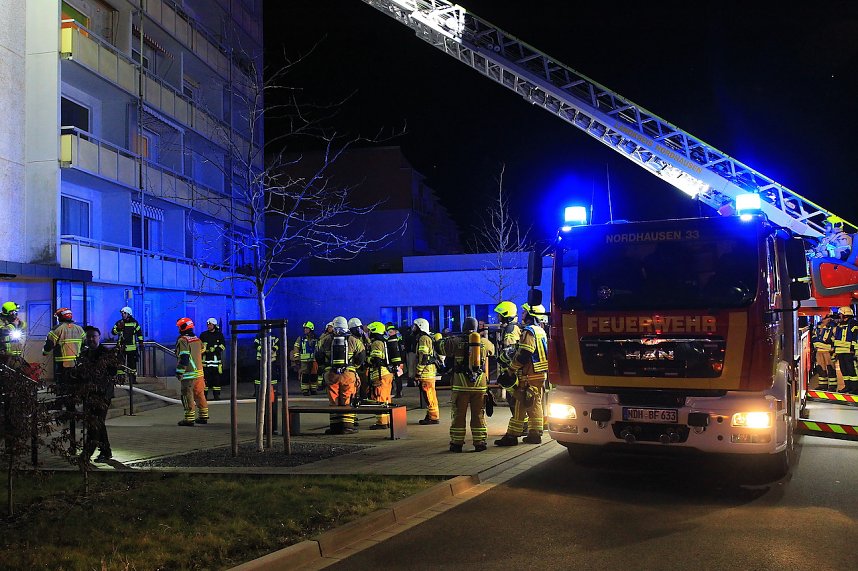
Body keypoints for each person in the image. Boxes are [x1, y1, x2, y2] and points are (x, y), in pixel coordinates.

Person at [495, 303, 549, 446]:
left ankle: (512, 436)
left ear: (531, 315)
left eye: (525, 312)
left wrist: (511, 369)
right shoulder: (541, 331)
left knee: (520, 402)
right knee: (534, 403)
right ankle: (535, 434)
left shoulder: (529, 331)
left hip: (529, 374)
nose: (522, 314)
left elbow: (525, 353)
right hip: (539, 373)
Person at [445, 317, 490, 452]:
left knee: (459, 415)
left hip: (461, 385)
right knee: (479, 415)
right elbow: (492, 351)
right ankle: (480, 442)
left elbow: (440, 347)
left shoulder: (455, 341)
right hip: (480, 386)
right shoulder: (484, 342)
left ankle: (457, 444)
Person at [43, 308, 86, 449]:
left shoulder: (57, 329)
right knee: (74, 385)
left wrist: (45, 352)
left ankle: (62, 403)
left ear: (60, 317)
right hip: (77, 364)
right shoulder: (79, 328)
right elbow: (85, 343)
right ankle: (73, 404)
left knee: (62, 386)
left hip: (63, 363)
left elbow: (49, 345)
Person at [317, 316, 365, 434]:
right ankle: (347, 427)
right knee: (347, 399)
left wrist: (326, 368)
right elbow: (361, 357)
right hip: (348, 375)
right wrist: (353, 368)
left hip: (331, 375)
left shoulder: (325, 339)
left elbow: (318, 356)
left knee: (333, 400)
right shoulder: (354, 340)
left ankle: (335, 427)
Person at [77, 326, 119, 463]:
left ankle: (88, 452)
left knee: (96, 423)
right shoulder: (84, 354)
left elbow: (113, 372)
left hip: (103, 393)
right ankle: (106, 451)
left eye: (93, 336)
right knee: (96, 423)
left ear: (98, 337)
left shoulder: (105, 353)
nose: (90, 339)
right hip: (89, 393)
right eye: (88, 337)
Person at [175, 318, 209, 426]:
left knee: (186, 395)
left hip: (189, 374)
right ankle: (203, 416)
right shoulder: (197, 339)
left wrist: (180, 371)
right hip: (199, 373)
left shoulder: (183, 340)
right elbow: (203, 349)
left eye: (179, 327)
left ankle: (189, 418)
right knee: (200, 394)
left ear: (183, 327)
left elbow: (184, 357)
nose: (178, 329)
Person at [366, 321, 394, 430]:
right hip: (387, 373)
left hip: (380, 374)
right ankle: (386, 421)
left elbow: (376, 360)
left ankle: (381, 423)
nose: (368, 333)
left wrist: (367, 359)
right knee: (386, 399)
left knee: (379, 398)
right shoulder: (384, 341)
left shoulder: (376, 343)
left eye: (369, 330)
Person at [413, 317, 440, 425]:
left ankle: (433, 417)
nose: (413, 328)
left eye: (415, 326)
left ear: (420, 326)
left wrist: (418, 372)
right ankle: (431, 415)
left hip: (426, 371)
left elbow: (424, 356)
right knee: (430, 394)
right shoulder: (426, 337)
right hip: (429, 370)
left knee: (428, 394)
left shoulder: (423, 338)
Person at [111, 306, 143, 385]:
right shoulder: (119, 323)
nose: (122, 314)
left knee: (132, 365)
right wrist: (118, 328)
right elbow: (113, 332)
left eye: (124, 313)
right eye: (122, 313)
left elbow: (139, 333)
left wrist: (141, 342)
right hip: (121, 348)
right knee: (120, 365)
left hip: (132, 348)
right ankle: (120, 380)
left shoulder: (134, 323)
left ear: (129, 314)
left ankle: (133, 380)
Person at [831, 306, 857, 394]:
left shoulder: (853, 323)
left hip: (849, 351)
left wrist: (853, 349)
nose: (839, 315)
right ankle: (848, 387)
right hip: (840, 351)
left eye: (841, 314)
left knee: (852, 371)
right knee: (844, 370)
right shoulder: (840, 324)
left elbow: (855, 337)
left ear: (845, 314)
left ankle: (855, 388)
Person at [199, 318, 226, 400]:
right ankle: (204, 396)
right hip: (205, 362)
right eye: (208, 324)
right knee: (205, 380)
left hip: (216, 363)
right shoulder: (203, 335)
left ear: (214, 325)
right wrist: (204, 350)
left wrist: (215, 349)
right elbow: (199, 346)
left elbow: (223, 346)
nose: (208, 326)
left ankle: (216, 396)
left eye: (210, 324)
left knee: (216, 380)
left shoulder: (219, 335)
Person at [291, 321, 319, 396]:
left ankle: (313, 389)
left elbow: (319, 348)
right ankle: (305, 390)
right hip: (304, 361)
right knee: (305, 375)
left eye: (307, 328)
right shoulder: (301, 338)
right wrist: (296, 358)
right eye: (305, 328)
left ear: (311, 329)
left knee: (314, 375)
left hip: (314, 360)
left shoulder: (316, 338)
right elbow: (296, 348)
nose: (305, 330)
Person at [812, 313, 837, 391]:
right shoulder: (818, 326)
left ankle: (832, 386)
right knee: (820, 368)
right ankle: (823, 385)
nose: (823, 320)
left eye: (824, 318)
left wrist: (832, 348)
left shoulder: (833, 326)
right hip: (819, 350)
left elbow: (835, 338)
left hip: (828, 351)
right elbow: (814, 336)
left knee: (830, 368)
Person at [386, 322, 405, 398]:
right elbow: (402, 349)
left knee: (395, 377)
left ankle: (396, 392)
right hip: (399, 360)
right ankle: (399, 392)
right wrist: (402, 361)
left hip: (393, 361)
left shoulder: (390, 338)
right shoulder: (399, 336)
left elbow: (390, 350)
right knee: (398, 377)